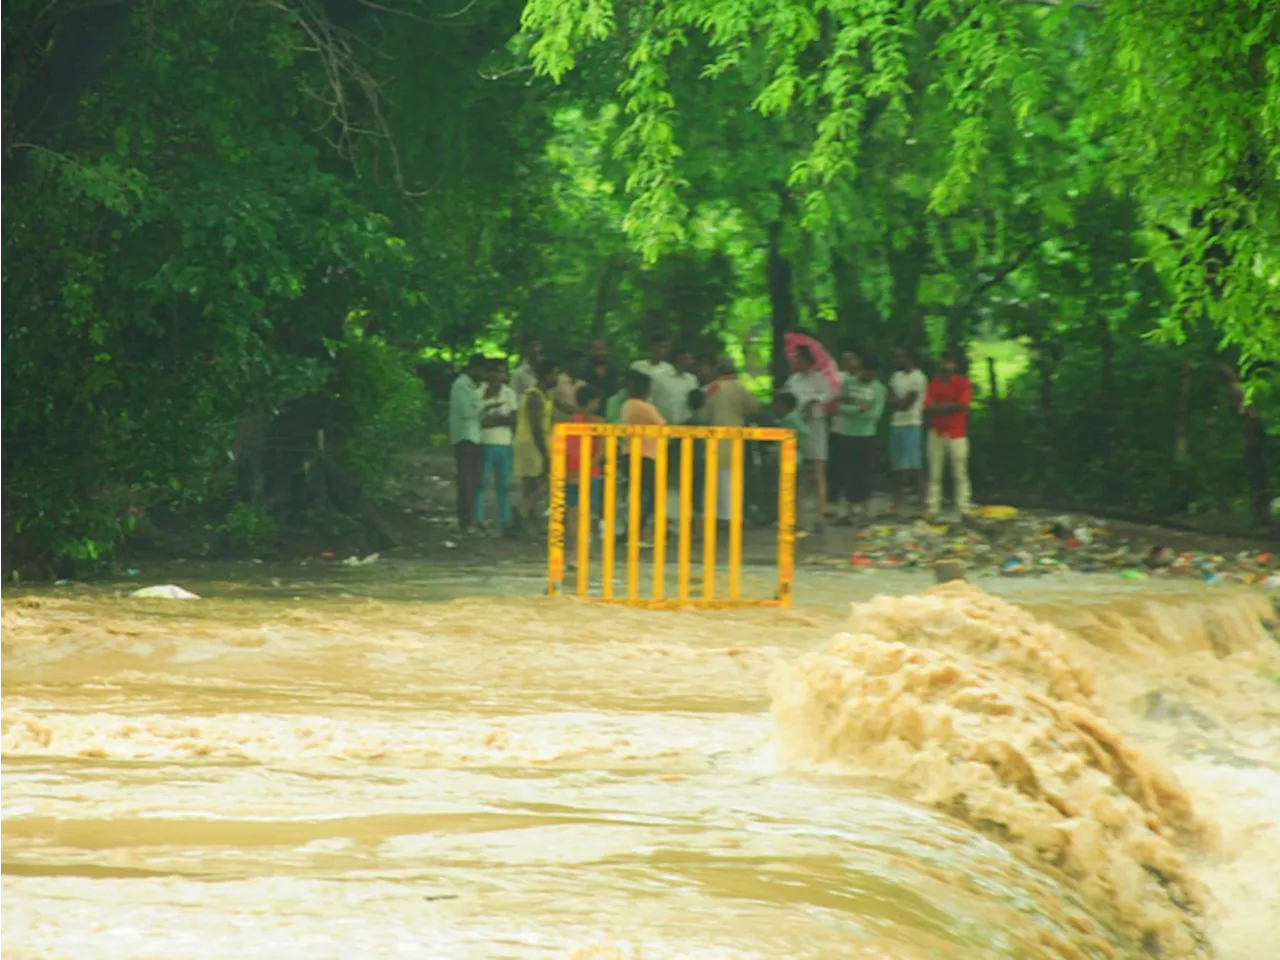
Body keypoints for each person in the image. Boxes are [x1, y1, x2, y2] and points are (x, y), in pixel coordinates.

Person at [831, 351, 885, 525]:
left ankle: (864, 509)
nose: (867, 375)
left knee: (864, 472)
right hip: (847, 433)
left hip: (866, 434)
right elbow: (838, 406)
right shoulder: (848, 383)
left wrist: (859, 411)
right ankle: (847, 509)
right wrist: (857, 410)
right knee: (846, 472)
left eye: (871, 373)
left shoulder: (879, 389)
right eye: (865, 371)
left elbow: (873, 415)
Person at [785, 344, 834, 532]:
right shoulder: (793, 380)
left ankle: (819, 515)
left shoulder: (819, 378)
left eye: (798, 358)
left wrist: (814, 401)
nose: (794, 361)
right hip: (798, 425)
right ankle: (797, 516)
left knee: (818, 471)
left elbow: (828, 394)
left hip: (815, 424)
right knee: (800, 472)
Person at [705, 355, 759, 522]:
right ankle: (733, 513)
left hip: (716, 437)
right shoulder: (740, 387)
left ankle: (720, 514)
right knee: (734, 477)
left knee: (719, 477)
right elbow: (753, 406)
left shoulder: (713, 388)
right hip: (736, 436)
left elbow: (705, 412)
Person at [924, 352, 973, 522]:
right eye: (944, 363)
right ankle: (932, 508)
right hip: (937, 432)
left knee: (960, 471)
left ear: (954, 365)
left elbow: (962, 405)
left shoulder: (962, 383)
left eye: (950, 363)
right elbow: (928, 407)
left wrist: (940, 407)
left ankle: (964, 508)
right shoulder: (933, 384)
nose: (947, 367)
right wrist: (950, 406)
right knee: (935, 473)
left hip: (957, 432)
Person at [619, 368, 666, 540]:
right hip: (646, 454)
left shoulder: (626, 405)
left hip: (629, 452)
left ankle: (630, 528)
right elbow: (663, 425)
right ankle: (639, 528)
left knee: (634, 492)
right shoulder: (646, 407)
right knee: (648, 493)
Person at [513, 359, 558, 534]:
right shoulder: (534, 396)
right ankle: (524, 509)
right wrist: (545, 452)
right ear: (547, 375)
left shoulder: (546, 394)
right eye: (554, 374)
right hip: (530, 442)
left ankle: (527, 518)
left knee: (532, 483)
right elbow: (536, 426)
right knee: (546, 479)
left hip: (535, 442)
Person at [475, 358, 518, 536]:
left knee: (503, 485)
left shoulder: (509, 393)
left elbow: (514, 418)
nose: (500, 376)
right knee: (480, 483)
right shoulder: (478, 393)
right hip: (484, 442)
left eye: (502, 372)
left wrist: (493, 420)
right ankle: (477, 519)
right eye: (496, 372)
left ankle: (505, 519)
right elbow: (478, 421)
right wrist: (499, 420)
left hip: (504, 443)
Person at [564, 384, 606, 553]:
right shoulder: (599, 422)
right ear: (592, 402)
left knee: (572, 509)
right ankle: (585, 542)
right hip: (590, 471)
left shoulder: (570, 421)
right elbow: (602, 450)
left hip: (570, 469)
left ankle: (576, 546)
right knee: (587, 510)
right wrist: (589, 466)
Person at [887, 347, 928, 515]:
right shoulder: (895, 376)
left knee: (914, 465)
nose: (897, 360)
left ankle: (922, 503)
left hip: (912, 423)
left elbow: (906, 405)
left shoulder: (918, 378)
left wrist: (895, 402)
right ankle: (898, 501)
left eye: (901, 357)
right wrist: (896, 402)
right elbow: (887, 399)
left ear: (910, 358)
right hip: (896, 424)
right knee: (896, 466)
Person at [449, 354, 487, 532]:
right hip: (464, 438)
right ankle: (465, 520)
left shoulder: (472, 387)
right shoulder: (460, 386)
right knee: (466, 480)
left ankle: (470, 518)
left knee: (474, 481)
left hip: (475, 437)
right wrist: (483, 406)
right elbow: (465, 411)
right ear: (473, 368)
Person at [630, 333, 679, 423]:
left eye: (665, 347)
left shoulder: (670, 370)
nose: (662, 351)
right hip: (638, 412)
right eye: (659, 347)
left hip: (659, 414)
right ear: (651, 347)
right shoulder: (638, 366)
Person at [666, 347, 701, 425]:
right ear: (680, 358)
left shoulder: (692, 379)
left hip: (686, 426)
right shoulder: (661, 377)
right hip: (665, 426)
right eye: (689, 358)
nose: (692, 362)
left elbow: (695, 402)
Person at [553, 350, 587, 420]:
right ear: (570, 363)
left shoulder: (583, 385)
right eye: (579, 362)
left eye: (583, 362)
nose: (582, 365)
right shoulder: (557, 381)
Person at [510, 336, 542, 404]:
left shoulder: (546, 370)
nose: (535, 350)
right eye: (532, 346)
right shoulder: (518, 374)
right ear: (525, 349)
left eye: (537, 346)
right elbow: (513, 398)